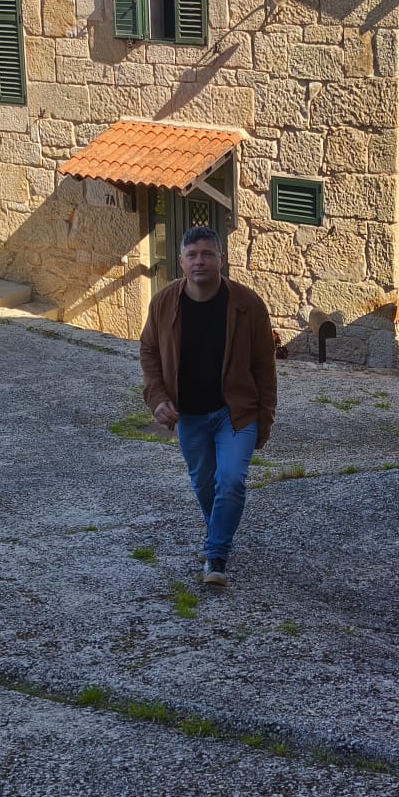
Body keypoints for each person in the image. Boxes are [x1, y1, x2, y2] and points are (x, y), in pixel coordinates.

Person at [139, 226, 279, 587]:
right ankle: (216, 535)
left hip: (237, 413)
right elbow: (149, 351)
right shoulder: (164, 303)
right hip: (189, 414)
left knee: (230, 480)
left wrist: (265, 419)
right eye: (192, 255)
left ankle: (216, 555)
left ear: (222, 259)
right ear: (181, 262)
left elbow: (264, 366)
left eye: (207, 254)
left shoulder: (248, 305)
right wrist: (157, 397)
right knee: (204, 482)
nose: (199, 261)